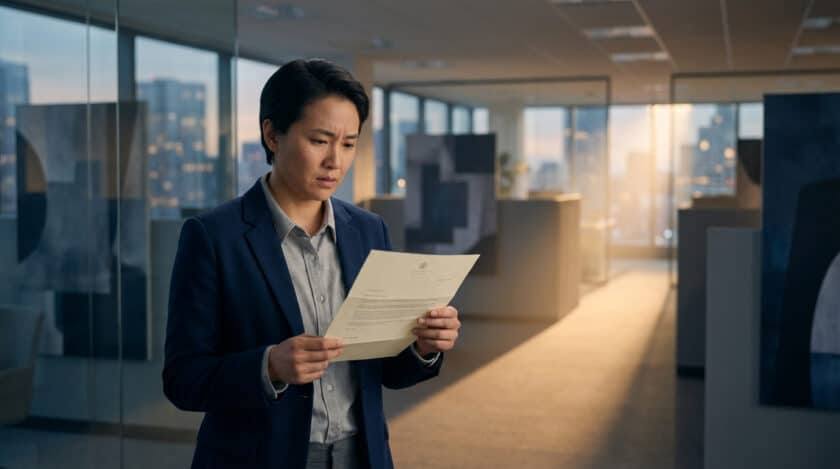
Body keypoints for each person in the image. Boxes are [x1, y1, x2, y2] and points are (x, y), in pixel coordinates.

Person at [162, 59, 461, 469]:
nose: (335, 161)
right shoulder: (213, 237)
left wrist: (423, 346)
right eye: (320, 141)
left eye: (349, 144)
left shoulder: (369, 230)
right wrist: (269, 366)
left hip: (362, 455)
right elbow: (183, 379)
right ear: (272, 135)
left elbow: (386, 371)